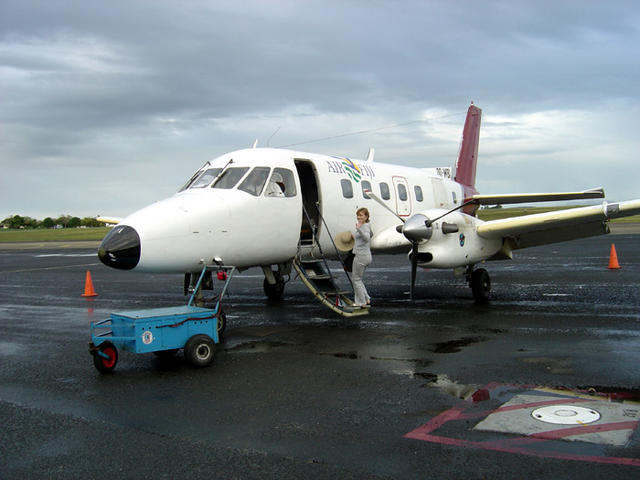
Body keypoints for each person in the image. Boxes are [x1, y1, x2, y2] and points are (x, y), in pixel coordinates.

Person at [352, 207, 372, 307]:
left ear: (366, 217)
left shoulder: (364, 226)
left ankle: (361, 302)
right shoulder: (366, 225)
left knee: (356, 279)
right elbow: (370, 235)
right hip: (364, 255)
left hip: (361, 256)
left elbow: (367, 238)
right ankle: (366, 298)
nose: (359, 217)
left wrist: (359, 229)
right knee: (358, 279)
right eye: (358, 215)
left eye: (361, 215)